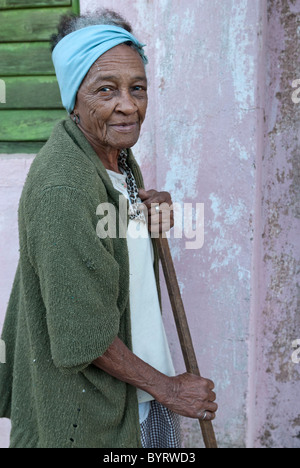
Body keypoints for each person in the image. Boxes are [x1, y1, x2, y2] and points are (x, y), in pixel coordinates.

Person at [0, 9, 217, 448]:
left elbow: (113, 259)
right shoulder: (64, 184)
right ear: (74, 98)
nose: (128, 104)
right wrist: (171, 389)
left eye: (137, 88)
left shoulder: (114, 160)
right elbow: (83, 335)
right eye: (106, 89)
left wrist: (142, 217)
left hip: (141, 390)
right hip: (97, 412)